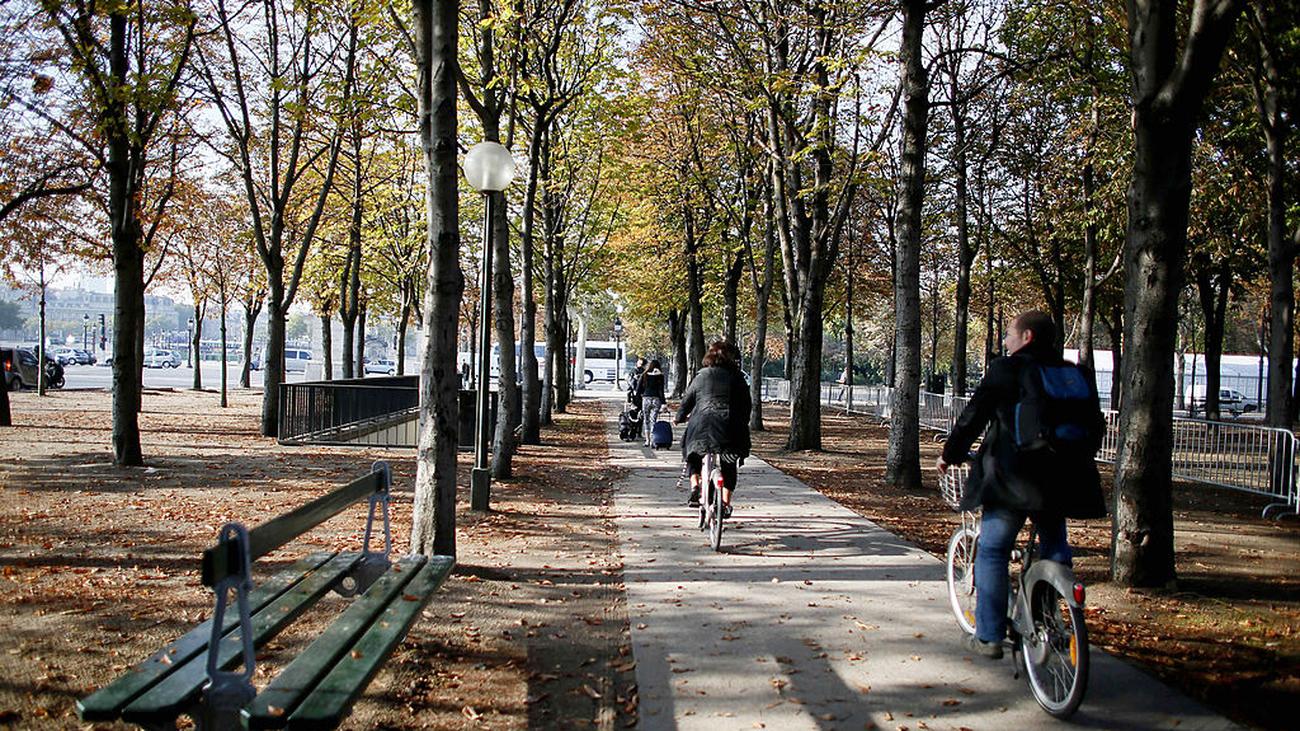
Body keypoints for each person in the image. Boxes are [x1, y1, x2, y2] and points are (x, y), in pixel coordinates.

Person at [936, 310, 1105, 659]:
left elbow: (973, 416)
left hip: (1012, 480)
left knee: (994, 550)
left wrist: (950, 454)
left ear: (1027, 336)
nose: (1006, 342)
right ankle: (1052, 616)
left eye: (1010, 335)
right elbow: (1095, 426)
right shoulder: (1075, 374)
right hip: (1065, 481)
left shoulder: (1007, 369)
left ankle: (989, 636)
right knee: (1055, 543)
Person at [676, 341, 752, 516]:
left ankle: (695, 486)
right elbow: (746, 405)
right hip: (730, 427)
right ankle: (725, 503)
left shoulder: (701, 376)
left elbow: (687, 401)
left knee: (692, 453)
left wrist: (679, 418)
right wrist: (742, 422)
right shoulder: (737, 377)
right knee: (729, 463)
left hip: (701, 424)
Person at [636, 359, 666, 447]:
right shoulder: (660, 376)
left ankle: (647, 440)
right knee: (653, 420)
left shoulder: (644, 375)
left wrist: (637, 400)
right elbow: (661, 391)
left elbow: (639, 389)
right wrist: (664, 403)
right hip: (656, 399)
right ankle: (653, 440)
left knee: (646, 419)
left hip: (646, 399)